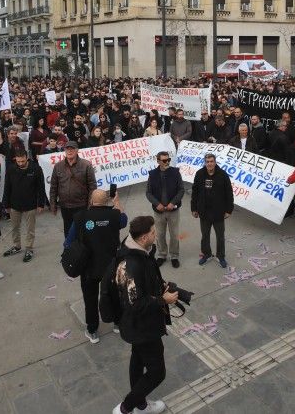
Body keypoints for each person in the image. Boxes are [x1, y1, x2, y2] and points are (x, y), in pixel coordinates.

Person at [111, 215, 174, 414]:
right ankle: (126, 408)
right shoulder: (132, 263)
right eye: (154, 233)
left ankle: (140, 405)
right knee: (157, 372)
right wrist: (164, 300)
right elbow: (136, 303)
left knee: (137, 359)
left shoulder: (137, 252)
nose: (156, 236)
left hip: (137, 325)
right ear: (145, 237)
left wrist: (160, 287)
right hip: (142, 326)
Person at [66, 188, 126, 344]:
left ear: (91, 201)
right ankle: (117, 323)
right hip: (111, 267)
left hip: (88, 268)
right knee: (114, 295)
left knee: (90, 299)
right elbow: (124, 219)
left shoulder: (80, 217)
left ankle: (92, 330)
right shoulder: (114, 215)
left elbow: (68, 241)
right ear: (107, 201)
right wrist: (117, 202)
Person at [190, 153, 233, 268]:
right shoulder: (199, 174)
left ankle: (221, 256)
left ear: (215, 162)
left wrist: (229, 210)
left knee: (220, 236)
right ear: (205, 163)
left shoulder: (223, 175)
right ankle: (206, 254)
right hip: (204, 212)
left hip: (218, 212)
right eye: (207, 162)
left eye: (211, 161)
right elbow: (195, 192)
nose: (209, 164)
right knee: (205, 236)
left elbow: (229, 193)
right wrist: (193, 208)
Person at [2, 151, 46, 262]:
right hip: (14, 204)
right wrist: (6, 204)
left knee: (30, 229)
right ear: (15, 159)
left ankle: (29, 248)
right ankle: (17, 246)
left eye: (22, 161)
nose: (20, 163)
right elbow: (7, 187)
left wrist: (41, 203)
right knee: (15, 227)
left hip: (30, 204)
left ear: (27, 158)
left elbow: (41, 187)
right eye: (18, 161)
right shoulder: (11, 169)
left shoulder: (36, 169)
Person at [145, 151, 184, 268]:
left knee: (174, 234)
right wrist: (157, 204)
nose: (167, 162)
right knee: (160, 234)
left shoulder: (176, 172)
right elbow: (148, 193)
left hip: (173, 210)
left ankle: (174, 256)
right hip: (159, 211)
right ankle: (162, 255)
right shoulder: (152, 174)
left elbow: (181, 190)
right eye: (164, 160)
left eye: (168, 160)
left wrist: (173, 202)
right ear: (158, 161)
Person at [49, 142, 97, 238]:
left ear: (77, 150)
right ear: (65, 150)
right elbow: (53, 186)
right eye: (67, 149)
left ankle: (83, 251)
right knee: (68, 232)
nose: (69, 151)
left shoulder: (86, 165)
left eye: (72, 148)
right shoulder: (58, 166)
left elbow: (92, 186)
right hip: (65, 206)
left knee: (82, 231)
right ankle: (70, 251)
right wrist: (53, 204)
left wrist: (90, 204)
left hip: (81, 205)